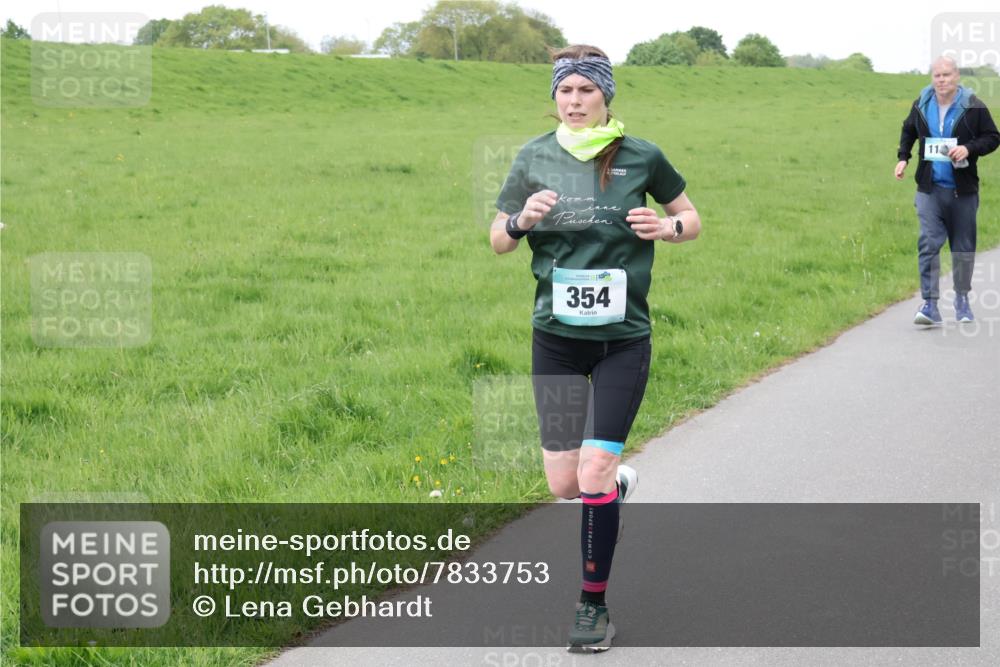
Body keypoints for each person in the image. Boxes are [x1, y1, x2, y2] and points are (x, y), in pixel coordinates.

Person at [490, 44, 701, 652]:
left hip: (621, 342)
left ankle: (592, 607)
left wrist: (668, 227)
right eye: (565, 91)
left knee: (593, 470)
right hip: (555, 341)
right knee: (563, 483)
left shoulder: (642, 156)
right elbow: (498, 240)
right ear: (554, 97)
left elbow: (691, 217)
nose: (575, 101)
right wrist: (519, 222)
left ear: (606, 95)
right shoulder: (533, 156)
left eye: (586, 90)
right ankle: (611, 484)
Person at [895, 55, 999, 325]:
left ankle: (962, 300)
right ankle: (929, 304)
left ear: (957, 77)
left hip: (962, 190)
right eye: (937, 75)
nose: (941, 80)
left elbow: (993, 137)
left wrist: (968, 148)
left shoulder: (973, 107)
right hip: (929, 188)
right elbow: (908, 130)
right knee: (929, 242)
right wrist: (903, 157)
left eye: (946, 75)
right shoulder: (922, 104)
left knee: (963, 247)